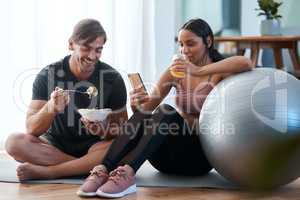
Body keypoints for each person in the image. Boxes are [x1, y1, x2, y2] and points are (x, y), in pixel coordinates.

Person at [77, 18, 253, 198]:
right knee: (153, 112)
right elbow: (145, 111)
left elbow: (246, 63)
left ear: (208, 41)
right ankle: (103, 169)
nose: (184, 51)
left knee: (166, 110)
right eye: (181, 45)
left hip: (199, 157)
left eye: (190, 44)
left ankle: (127, 174)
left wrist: (197, 71)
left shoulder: (218, 71)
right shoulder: (175, 72)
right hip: (164, 159)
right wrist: (135, 104)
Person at [5, 19, 128, 181]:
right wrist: (51, 108)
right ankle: (86, 168)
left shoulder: (113, 78)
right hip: (53, 146)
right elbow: (31, 128)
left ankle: (50, 172)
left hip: (94, 148)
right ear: (71, 44)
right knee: (13, 142)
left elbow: (122, 130)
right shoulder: (48, 75)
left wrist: (103, 130)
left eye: (98, 50)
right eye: (86, 48)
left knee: (121, 146)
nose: (92, 56)